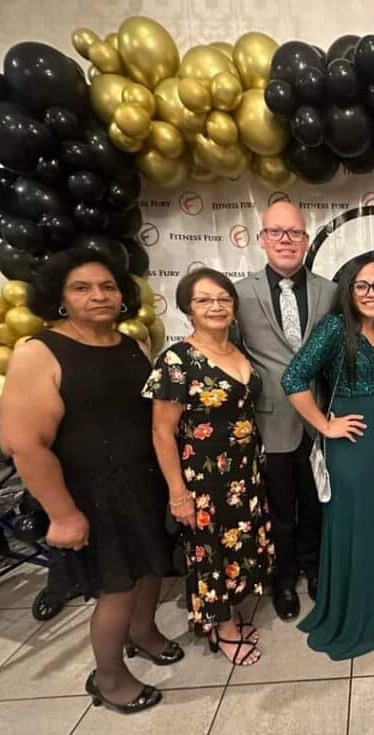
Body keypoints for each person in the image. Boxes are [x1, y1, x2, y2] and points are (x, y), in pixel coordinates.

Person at [0, 250, 176, 715]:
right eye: (82, 288)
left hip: (143, 481)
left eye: (108, 287)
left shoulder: (129, 345)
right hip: (91, 494)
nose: (98, 295)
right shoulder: (39, 352)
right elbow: (24, 444)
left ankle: (145, 634)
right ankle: (109, 677)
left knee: (153, 567)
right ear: (60, 298)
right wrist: (62, 514)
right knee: (117, 585)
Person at [282, 255, 374, 660]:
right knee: (355, 525)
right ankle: (355, 612)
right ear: (348, 289)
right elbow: (292, 378)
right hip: (352, 443)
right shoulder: (335, 327)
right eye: (363, 285)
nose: (373, 293)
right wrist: (325, 426)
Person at [144, 268, 274, 665]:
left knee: (237, 545)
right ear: (187, 309)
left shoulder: (237, 350)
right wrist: (178, 494)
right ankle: (223, 628)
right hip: (204, 476)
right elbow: (161, 433)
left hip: (244, 471)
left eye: (222, 298)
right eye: (203, 300)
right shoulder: (177, 360)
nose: (215, 306)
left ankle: (231, 612)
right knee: (210, 552)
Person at [234, 201, 338, 621]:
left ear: (307, 241)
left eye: (294, 233)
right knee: (278, 510)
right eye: (276, 232)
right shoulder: (239, 294)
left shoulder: (329, 291)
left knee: (315, 503)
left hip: (318, 422)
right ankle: (283, 577)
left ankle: (314, 570)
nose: (285, 240)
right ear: (261, 239)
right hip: (269, 421)